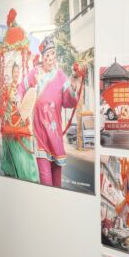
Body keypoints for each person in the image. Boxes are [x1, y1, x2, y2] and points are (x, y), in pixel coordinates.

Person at [17, 36, 83, 187]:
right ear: (42, 57)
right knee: (46, 178)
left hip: (55, 133)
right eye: (47, 54)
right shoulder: (34, 73)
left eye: (53, 53)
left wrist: (73, 84)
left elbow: (68, 101)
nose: (51, 58)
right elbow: (21, 87)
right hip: (40, 133)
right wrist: (20, 102)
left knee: (57, 178)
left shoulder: (60, 75)